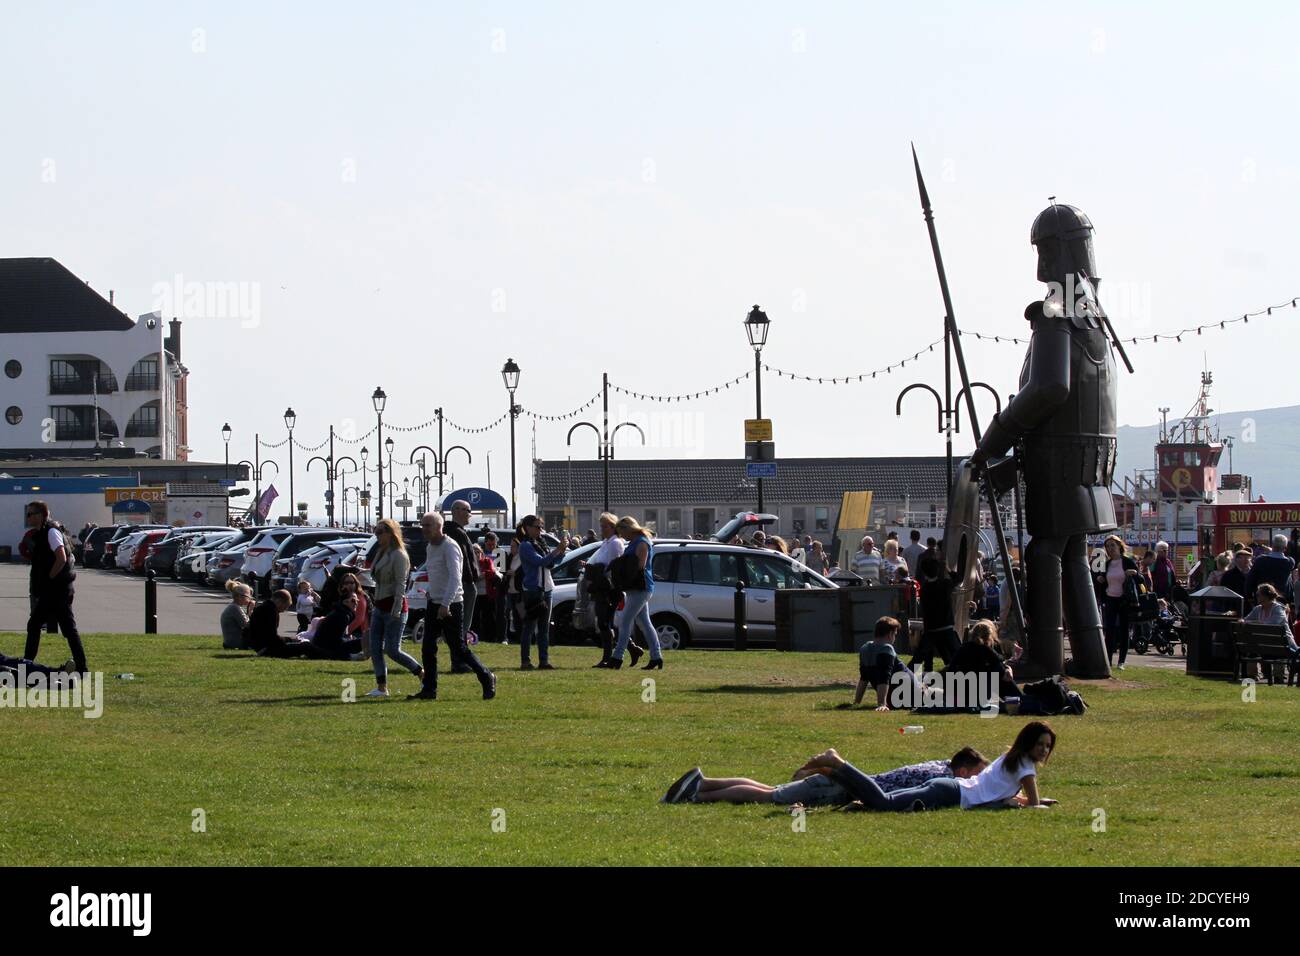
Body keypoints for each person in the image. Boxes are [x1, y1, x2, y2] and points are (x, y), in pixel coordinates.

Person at [814, 721, 1058, 812]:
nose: (1044, 750)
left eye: (1047, 746)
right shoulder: (1026, 766)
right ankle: (837, 762)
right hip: (951, 792)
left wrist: (1027, 801)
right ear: (1028, 743)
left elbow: (1003, 795)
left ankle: (834, 771)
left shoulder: (1011, 758)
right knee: (883, 803)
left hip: (949, 787)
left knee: (880, 801)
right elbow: (1034, 804)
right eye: (1040, 744)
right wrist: (1036, 803)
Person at [666, 747, 989, 806]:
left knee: (770, 788)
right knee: (768, 795)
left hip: (836, 783)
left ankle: (703, 782)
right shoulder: (942, 780)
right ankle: (698, 794)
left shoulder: (937, 764)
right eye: (976, 774)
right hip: (837, 788)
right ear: (961, 771)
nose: (978, 779)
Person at [410, 513, 497, 700]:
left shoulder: (449, 547)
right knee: (428, 647)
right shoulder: (430, 547)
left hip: (451, 604)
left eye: (428, 525)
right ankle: (429, 689)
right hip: (434, 602)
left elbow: (455, 579)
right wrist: (430, 594)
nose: (424, 529)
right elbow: (435, 574)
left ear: (439, 526)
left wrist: (445, 604)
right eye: (422, 525)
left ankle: (487, 677)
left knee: (458, 648)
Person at [23, 501, 87, 674]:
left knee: (57, 627)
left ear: (41, 515)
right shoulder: (41, 533)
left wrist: (50, 578)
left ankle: (27, 665)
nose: (28, 517)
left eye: (30, 514)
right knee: (40, 625)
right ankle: (81, 667)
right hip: (52, 590)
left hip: (57, 590)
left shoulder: (51, 532)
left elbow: (61, 557)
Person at [365, 518, 424, 698]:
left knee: (393, 650)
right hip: (379, 605)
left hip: (394, 607)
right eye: (376, 532)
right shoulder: (381, 552)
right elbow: (375, 576)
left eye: (381, 532)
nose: (377, 536)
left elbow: (400, 585)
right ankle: (382, 687)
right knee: (374, 647)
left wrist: (396, 610)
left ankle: (421, 673)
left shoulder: (399, 555)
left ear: (391, 533)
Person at [587, 512, 643, 668]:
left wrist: (597, 570)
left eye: (604, 526)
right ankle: (632, 648)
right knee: (606, 623)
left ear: (612, 527)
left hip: (609, 589)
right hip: (601, 586)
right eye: (601, 526)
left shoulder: (615, 543)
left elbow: (613, 567)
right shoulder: (606, 542)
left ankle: (607, 657)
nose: (602, 529)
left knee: (605, 623)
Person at [609, 516, 664, 670]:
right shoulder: (635, 542)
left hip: (641, 587)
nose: (622, 536)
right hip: (636, 588)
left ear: (628, 529)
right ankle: (656, 657)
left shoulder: (641, 542)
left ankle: (617, 657)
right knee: (645, 624)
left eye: (622, 532)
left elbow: (640, 565)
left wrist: (622, 567)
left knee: (625, 622)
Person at [517, 513, 569, 670]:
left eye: (541, 527)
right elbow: (539, 562)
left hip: (547, 588)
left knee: (544, 627)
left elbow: (551, 563)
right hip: (533, 590)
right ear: (527, 528)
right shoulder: (525, 545)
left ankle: (543, 661)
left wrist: (561, 551)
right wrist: (556, 551)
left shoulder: (540, 543)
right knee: (530, 627)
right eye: (537, 527)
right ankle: (525, 661)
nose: (540, 530)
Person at [445, 500, 482, 671]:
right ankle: (459, 662)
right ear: (458, 511)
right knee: (461, 625)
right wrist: (471, 577)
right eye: (468, 510)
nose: (470, 514)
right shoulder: (456, 533)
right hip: (464, 584)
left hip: (463, 583)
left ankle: (459, 660)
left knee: (459, 626)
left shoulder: (455, 532)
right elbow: (462, 563)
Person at [945, 620, 1020, 703]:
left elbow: (950, 669)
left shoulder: (963, 648)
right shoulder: (986, 650)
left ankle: (1016, 697)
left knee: (998, 669)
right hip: (976, 695)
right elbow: (1000, 663)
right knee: (999, 669)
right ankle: (1017, 697)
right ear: (990, 637)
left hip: (959, 693)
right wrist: (1008, 669)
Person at [1094, 534, 1139, 671]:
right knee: (1110, 630)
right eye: (1108, 546)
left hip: (1124, 599)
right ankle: (1108, 660)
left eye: (1113, 545)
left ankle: (1121, 662)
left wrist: (1135, 573)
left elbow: (1140, 580)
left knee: (1124, 629)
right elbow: (1100, 581)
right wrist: (1100, 580)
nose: (1110, 548)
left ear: (1119, 546)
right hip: (1110, 598)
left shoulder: (1128, 561)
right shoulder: (1106, 564)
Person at [853, 616, 916, 710]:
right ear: (890, 634)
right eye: (895, 634)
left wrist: (856, 702)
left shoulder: (865, 648)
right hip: (912, 697)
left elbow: (864, 679)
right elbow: (884, 678)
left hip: (901, 697)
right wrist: (882, 704)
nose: (894, 638)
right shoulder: (886, 648)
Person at [912, 552, 960, 672]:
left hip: (931, 629)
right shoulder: (945, 585)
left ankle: (909, 678)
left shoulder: (924, 590)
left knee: (918, 658)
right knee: (956, 658)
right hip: (946, 628)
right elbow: (958, 578)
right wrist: (948, 569)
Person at [308, 592, 365, 660]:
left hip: (323, 647)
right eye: (353, 600)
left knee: (361, 640)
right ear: (345, 602)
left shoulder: (341, 612)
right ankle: (350, 656)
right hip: (326, 649)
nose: (356, 603)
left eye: (357, 600)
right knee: (363, 641)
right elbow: (337, 641)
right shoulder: (343, 615)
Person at [1245, 534, 1296, 600]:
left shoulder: (1261, 560)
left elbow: (1250, 580)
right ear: (1285, 548)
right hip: (1281, 599)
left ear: (1272, 545)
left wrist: (1249, 597)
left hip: (1262, 597)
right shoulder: (1289, 562)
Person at [221, 580, 254, 649]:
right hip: (236, 642)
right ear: (239, 596)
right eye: (248, 596)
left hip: (231, 641)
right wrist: (250, 610)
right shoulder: (234, 608)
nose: (249, 599)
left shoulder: (235, 607)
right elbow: (247, 625)